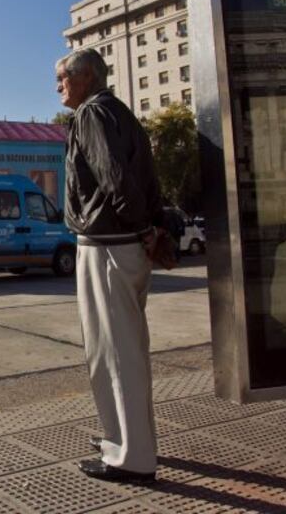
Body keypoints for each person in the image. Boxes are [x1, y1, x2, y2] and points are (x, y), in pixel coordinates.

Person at [57, 48, 163, 484]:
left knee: (114, 354)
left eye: (62, 76)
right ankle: (124, 438)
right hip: (122, 244)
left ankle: (133, 456)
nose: (58, 85)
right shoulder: (118, 111)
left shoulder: (92, 114)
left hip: (107, 246)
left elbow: (113, 176)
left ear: (84, 77)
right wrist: (150, 228)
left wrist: (140, 226)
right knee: (123, 351)